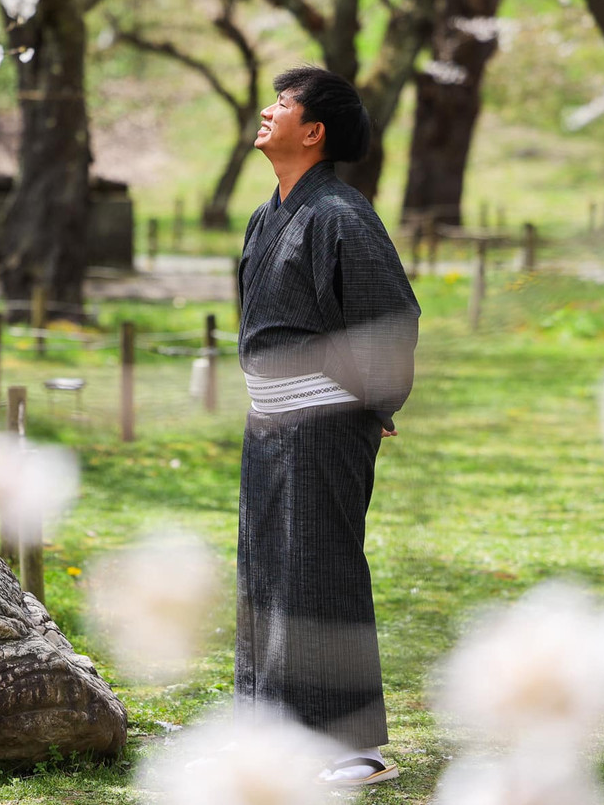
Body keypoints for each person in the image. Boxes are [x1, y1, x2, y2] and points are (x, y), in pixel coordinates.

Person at [236, 66, 420, 787]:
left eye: (281, 105)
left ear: (313, 131)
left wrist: (374, 406)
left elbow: (388, 319)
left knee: (321, 571)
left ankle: (355, 748)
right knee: (266, 571)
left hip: (322, 422)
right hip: (268, 422)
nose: (265, 111)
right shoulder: (267, 215)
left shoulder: (341, 214)